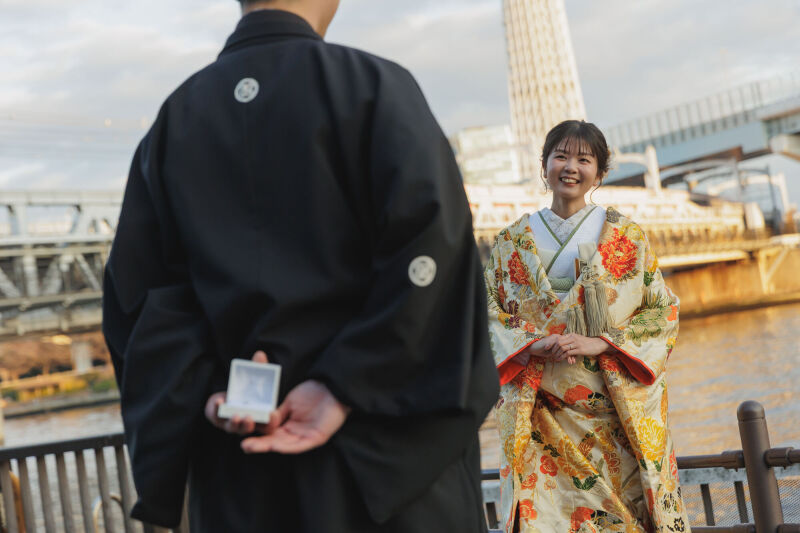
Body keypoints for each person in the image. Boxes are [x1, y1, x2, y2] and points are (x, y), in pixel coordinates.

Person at [102, 1, 499, 531]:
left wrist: (209, 393)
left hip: (242, 466)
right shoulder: (375, 86)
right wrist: (342, 384)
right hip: (383, 469)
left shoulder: (174, 121)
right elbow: (432, 257)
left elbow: (139, 301)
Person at [485, 120, 690, 532]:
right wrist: (533, 344)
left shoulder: (626, 238)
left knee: (621, 514)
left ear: (601, 171)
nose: (570, 167)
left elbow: (662, 311)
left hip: (612, 410)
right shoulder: (511, 242)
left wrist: (604, 343)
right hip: (540, 407)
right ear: (544, 165)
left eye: (584, 158)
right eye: (560, 156)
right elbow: (485, 314)